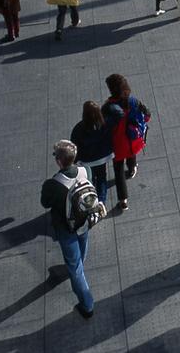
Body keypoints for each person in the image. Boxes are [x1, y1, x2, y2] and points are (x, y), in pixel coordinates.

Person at [40, 140, 96, 319]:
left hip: (66, 228)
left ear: (58, 161)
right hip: (84, 221)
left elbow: (45, 203)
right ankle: (81, 261)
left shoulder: (53, 184)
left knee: (75, 268)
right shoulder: (85, 170)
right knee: (82, 243)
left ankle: (87, 305)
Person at [102, 74, 151, 210]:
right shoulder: (134, 102)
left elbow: (103, 127)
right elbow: (147, 116)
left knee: (118, 172)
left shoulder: (107, 108)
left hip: (116, 145)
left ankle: (123, 200)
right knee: (131, 153)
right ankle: (132, 168)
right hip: (132, 140)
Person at [71, 101, 113, 200]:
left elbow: (75, 146)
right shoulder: (104, 124)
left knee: (90, 179)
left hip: (87, 161)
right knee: (102, 178)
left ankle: (92, 199)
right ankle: (102, 201)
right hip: (102, 158)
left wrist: (75, 161)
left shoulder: (79, 128)